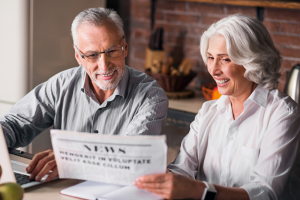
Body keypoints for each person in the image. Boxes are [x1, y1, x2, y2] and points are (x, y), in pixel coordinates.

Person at [134, 14, 300, 200]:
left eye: (225, 59)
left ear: (252, 61)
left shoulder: (282, 113)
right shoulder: (208, 111)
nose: (213, 70)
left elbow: (265, 193)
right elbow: (181, 170)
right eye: (211, 58)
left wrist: (199, 191)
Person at [1, 8, 168, 182]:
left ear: (124, 47)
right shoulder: (61, 84)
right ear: (78, 56)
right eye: (92, 55)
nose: (104, 66)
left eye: (112, 51)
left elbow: (133, 157)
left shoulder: (151, 96)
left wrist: (71, 158)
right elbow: (13, 124)